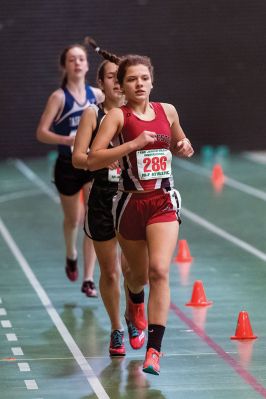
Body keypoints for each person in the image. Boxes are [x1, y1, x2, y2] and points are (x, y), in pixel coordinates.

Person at [85, 54, 194, 375]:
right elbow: (92, 159)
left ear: (152, 80)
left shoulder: (167, 110)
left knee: (160, 271)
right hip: (130, 205)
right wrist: (132, 144)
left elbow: (178, 140)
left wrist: (184, 145)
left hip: (162, 202)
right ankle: (135, 300)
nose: (139, 84)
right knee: (138, 275)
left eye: (144, 78)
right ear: (122, 85)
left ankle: (154, 351)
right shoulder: (116, 117)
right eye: (132, 79)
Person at [72, 38, 145, 357]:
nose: (118, 82)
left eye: (122, 76)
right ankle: (117, 327)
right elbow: (78, 159)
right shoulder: (93, 114)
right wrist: (102, 156)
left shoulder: (139, 114)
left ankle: (134, 311)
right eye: (112, 77)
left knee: (133, 271)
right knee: (111, 271)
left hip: (132, 198)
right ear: (101, 83)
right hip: (103, 199)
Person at [36, 44, 104, 297]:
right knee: (73, 219)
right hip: (67, 165)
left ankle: (88, 278)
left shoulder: (96, 95)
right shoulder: (59, 97)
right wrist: (66, 140)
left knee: (92, 219)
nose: (77, 63)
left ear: (87, 65)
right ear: (65, 65)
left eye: (81, 59)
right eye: (72, 59)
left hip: (90, 163)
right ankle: (71, 254)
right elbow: (41, 132)